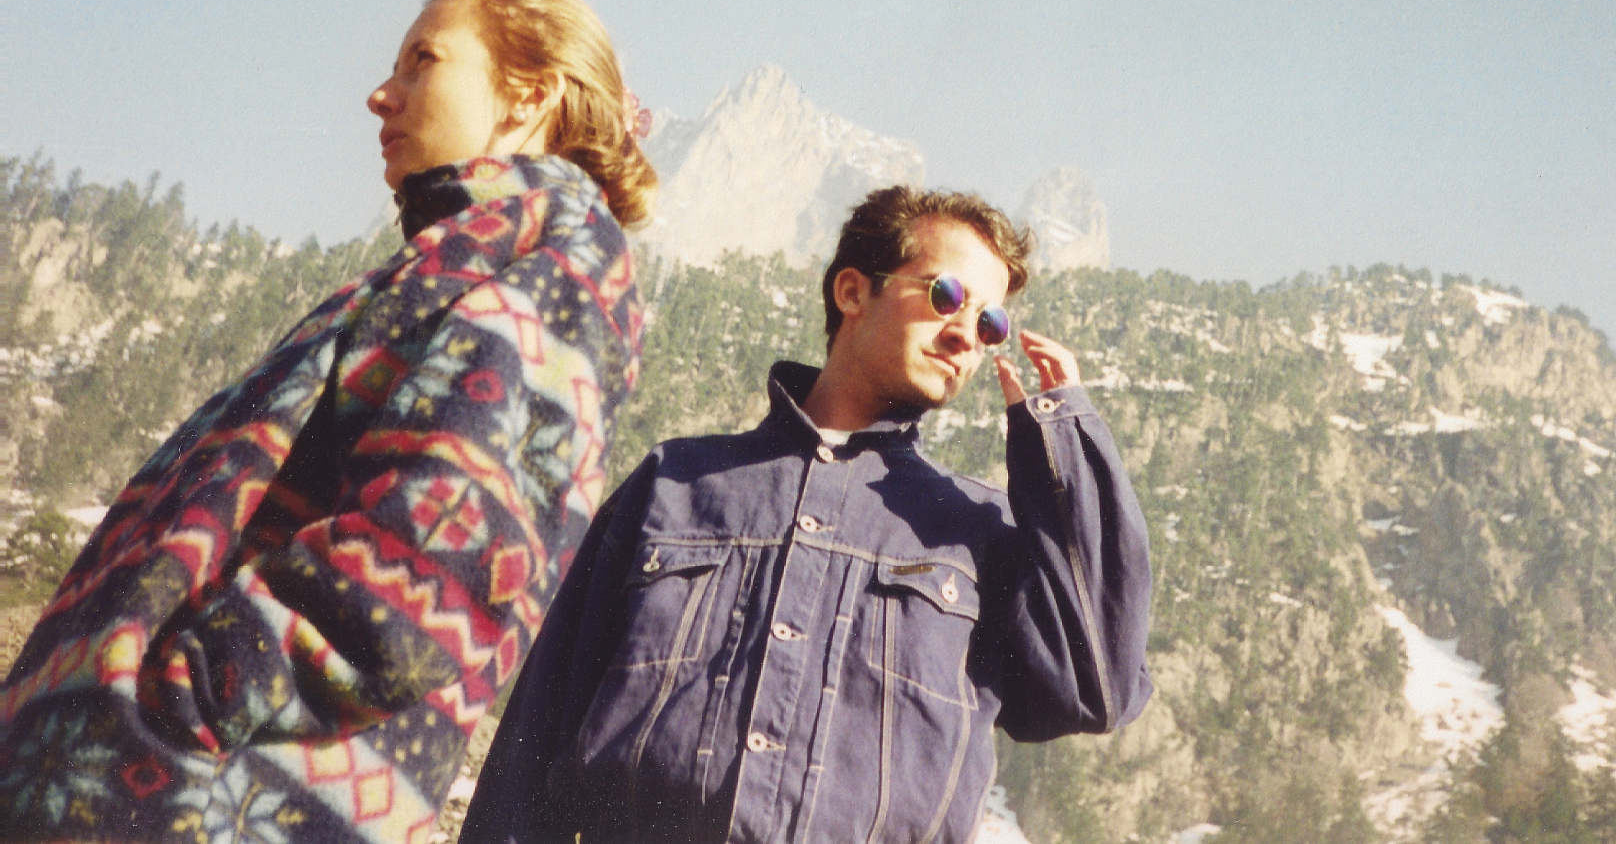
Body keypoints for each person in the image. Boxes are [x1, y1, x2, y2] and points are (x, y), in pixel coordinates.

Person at [1, 0, 657, 843]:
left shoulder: (558, 250)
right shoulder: (460, 252)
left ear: (527, 96)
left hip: (191, 803)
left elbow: (440, 557)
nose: (381, 93)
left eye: (423, 60)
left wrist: (188, 694)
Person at [462, 185, 1152, 844]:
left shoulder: (974, 532)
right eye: (947, 296)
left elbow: (1096, 685)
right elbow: (535, 744)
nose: (967, 335)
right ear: (853, 290)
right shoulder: (671, 484)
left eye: (989, 323)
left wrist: (1066, 446)